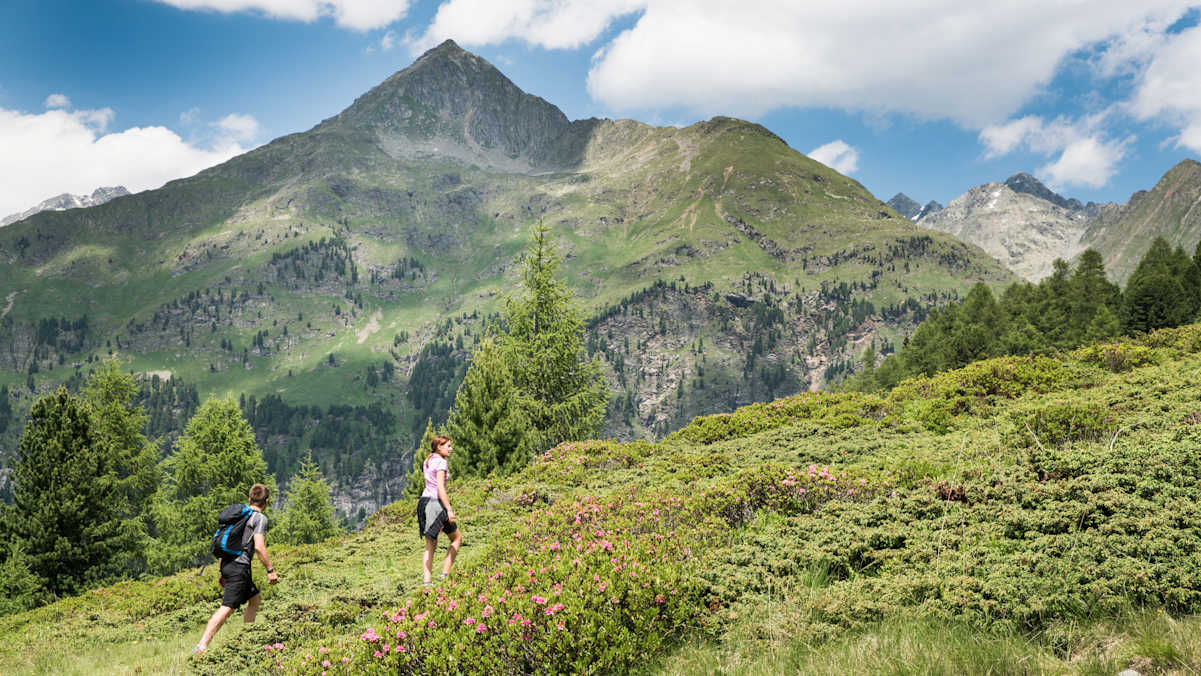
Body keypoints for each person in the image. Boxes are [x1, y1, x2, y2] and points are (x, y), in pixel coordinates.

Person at [191, 483, 279, 655]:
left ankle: (247, 640)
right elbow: (259, 547)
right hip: (239, 568)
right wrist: (270, 570)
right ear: (266, 501)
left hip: (228, 565)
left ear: (249, 498)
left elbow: (224, 542)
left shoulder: (239, 515)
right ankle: (201, 647)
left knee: (255, 599)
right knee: (227, 607)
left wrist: (222, 570)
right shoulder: (259, 518)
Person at [416, 435, 462, 585]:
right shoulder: (441, 462)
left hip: (423, 502)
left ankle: (427, 583)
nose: (451, 449)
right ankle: (444, 576)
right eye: (448, 446)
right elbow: (440, 488)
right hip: (435, 504)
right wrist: (449, 509)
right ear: (439, 447)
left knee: (430, 545)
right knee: (456, 538)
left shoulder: (427, 460)